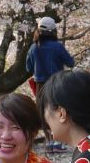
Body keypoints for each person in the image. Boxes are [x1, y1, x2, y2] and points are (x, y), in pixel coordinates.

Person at [25, 16, 76, 150]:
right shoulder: (57, 47)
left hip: (40, 85)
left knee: (44, 111)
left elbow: (28, 68)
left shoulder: (33, 48)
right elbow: (71, 63)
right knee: (58, 110)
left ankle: (49, 142)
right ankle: (58, 141)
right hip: (57, 83)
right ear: (53, 31)